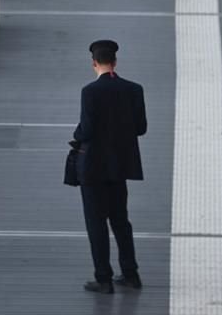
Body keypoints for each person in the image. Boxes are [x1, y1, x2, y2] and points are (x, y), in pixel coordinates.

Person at [73, 40, 147, 294]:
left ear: (94, 63)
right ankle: (131, 274)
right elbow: (141, 128)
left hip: (93, 166)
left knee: (96, 222)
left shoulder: (89, 92)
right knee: (120, 220)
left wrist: (77, 134)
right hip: (120, 166)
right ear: (115, 62)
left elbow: (86, 130)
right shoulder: (134, 89)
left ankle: (103, 278)